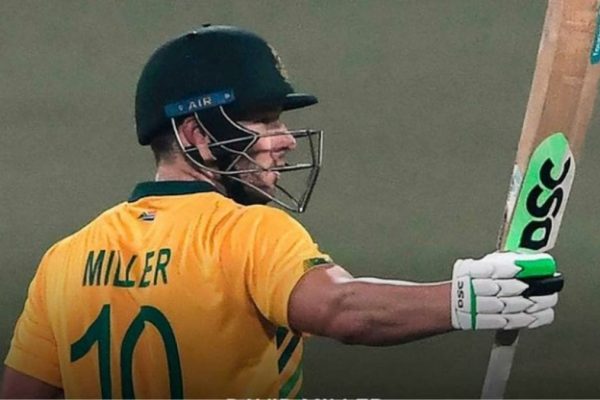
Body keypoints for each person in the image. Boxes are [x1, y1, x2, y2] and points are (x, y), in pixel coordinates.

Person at [1, 25, 563, 399]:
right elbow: (343, 309)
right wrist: (468, 297)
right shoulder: (249, 232)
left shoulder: (64, 260)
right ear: (197, 135)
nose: (286, 139)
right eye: (263, 120)